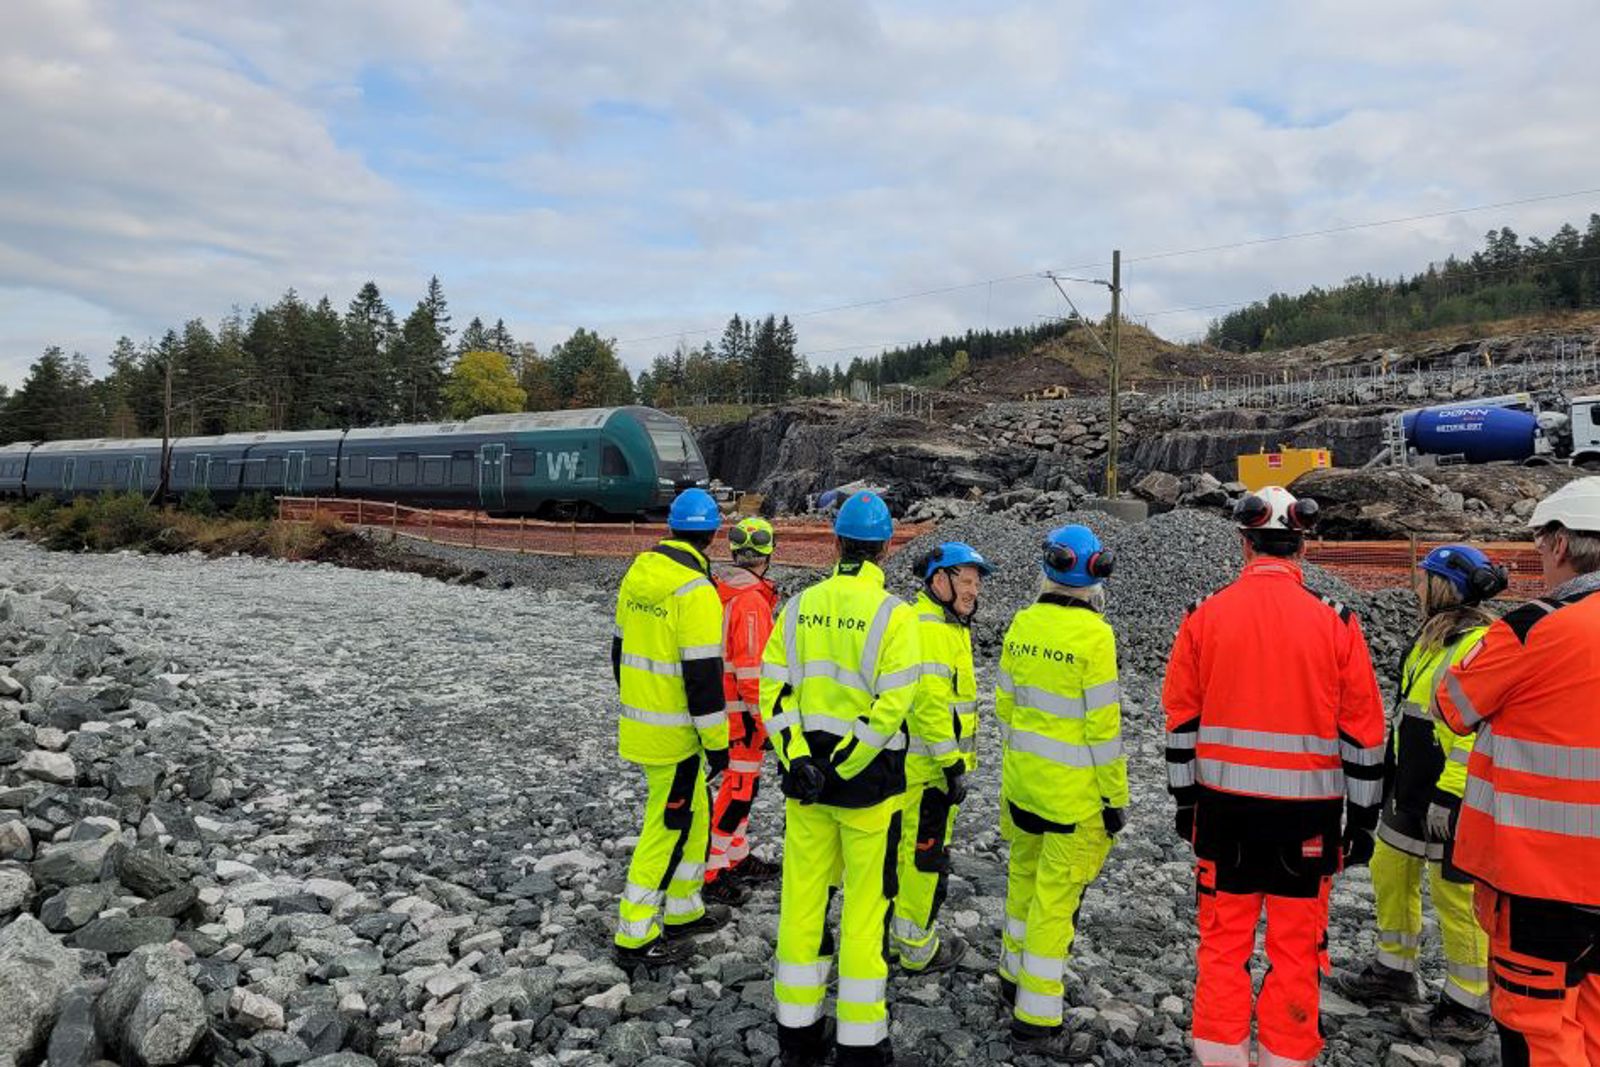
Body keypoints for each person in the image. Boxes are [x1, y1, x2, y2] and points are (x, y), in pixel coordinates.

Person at [1163, 486, 1386, 1067]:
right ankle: (1286, 1055)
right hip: (1307, 823)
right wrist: (1362, 821)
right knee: (1296, 950)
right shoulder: (1336, 622)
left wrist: (1186, 803)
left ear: (1244, 543)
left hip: (1221, 815)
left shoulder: (1203, 615)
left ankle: (1221, 1055)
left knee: (1222, 944)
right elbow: (1364, 733)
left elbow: (1180, 721)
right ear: (1302, 547)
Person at [1432, 477, 1600, 1066]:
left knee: (1537, 1029)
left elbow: (1451, 706)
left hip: (1541, 877)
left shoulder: (1534, 628)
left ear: (1559, 544)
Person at [758, 491, 922, 1067]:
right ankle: (861, 1042)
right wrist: (842, 767)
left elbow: (772, 690)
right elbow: (890, 710)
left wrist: (801, 761)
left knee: (802, 904)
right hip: (867, 792)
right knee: (864, 910)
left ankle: (797, 1036)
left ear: (836, 543)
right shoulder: (895, 616)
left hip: (806, 790)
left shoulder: (798, 607)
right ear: (885, 547)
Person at [1333, 545, 1505, 1043]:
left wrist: (1451, 795)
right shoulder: (1435, 637)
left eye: (1423, 578)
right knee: (1391, 870)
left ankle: (1466, 1007)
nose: (1415, 586)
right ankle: (1394, 973)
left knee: (1456, 895)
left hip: (1450, 793)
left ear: (1443, 585)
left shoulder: (1478, 643)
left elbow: (1477, 730)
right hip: (1409, 784)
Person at [995, 524, 1126, 1060]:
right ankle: (1036, 1019)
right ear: (1097, 573)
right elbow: (1104, 729)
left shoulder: (1023, 623)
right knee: (1054, 902)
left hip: (1023, 786)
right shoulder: (1096, 637)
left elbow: (1005, 706)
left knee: (1023, 884)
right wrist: (1115, 798)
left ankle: (1011, 976)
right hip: (1072, 800)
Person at [611, 487, 732, 966]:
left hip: (641, 723)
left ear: (672, 527)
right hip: (675, 735)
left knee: (695, 815)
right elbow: (703, 679)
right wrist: (718, 743)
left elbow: (619, 653)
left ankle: (683, 908)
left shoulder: (639, 575)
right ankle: (635, 933)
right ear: (713, 534)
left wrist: (640, 702)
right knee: (667, 826)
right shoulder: (696, 592)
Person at [891, 541, 992, 973]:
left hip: (921, 767)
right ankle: (916, 948)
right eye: (966, 581)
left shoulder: (946, 625)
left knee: (905, 851)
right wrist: (952, 764)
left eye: (976, 583)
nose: (974, 590)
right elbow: (930, 705)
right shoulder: (932, 628)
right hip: (927, 770)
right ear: (938, 580)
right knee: (923, 855)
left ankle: (894, 936)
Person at [704, 517, 782, 903]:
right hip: (742, 718)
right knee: (737, 791)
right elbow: (753, 673)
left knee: (742, 788)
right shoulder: (751, 602)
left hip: (725, 711)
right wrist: (766, 723)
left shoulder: (724, 592)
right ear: (767, 556)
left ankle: (735, 857)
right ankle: (712, 869)